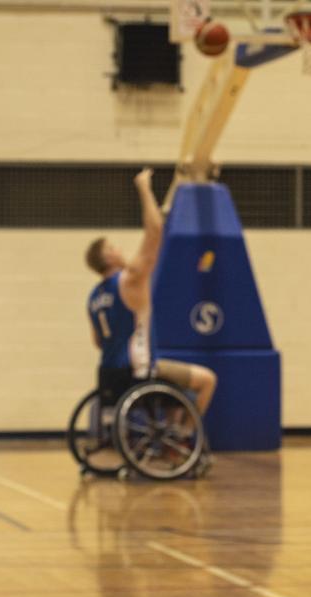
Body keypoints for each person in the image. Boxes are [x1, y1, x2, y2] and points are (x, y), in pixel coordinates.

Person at [84, 168, 217, 470]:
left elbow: (96, 341)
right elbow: (155, 231)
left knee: (174, 381)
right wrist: (144, 187)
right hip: (141, 371)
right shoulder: (129, 280)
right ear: (109, 259)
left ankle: (169, 437)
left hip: (111, 374)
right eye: (113, 247)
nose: (119, 248)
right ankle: (182, 438)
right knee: (207, 380)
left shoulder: (93, 297)